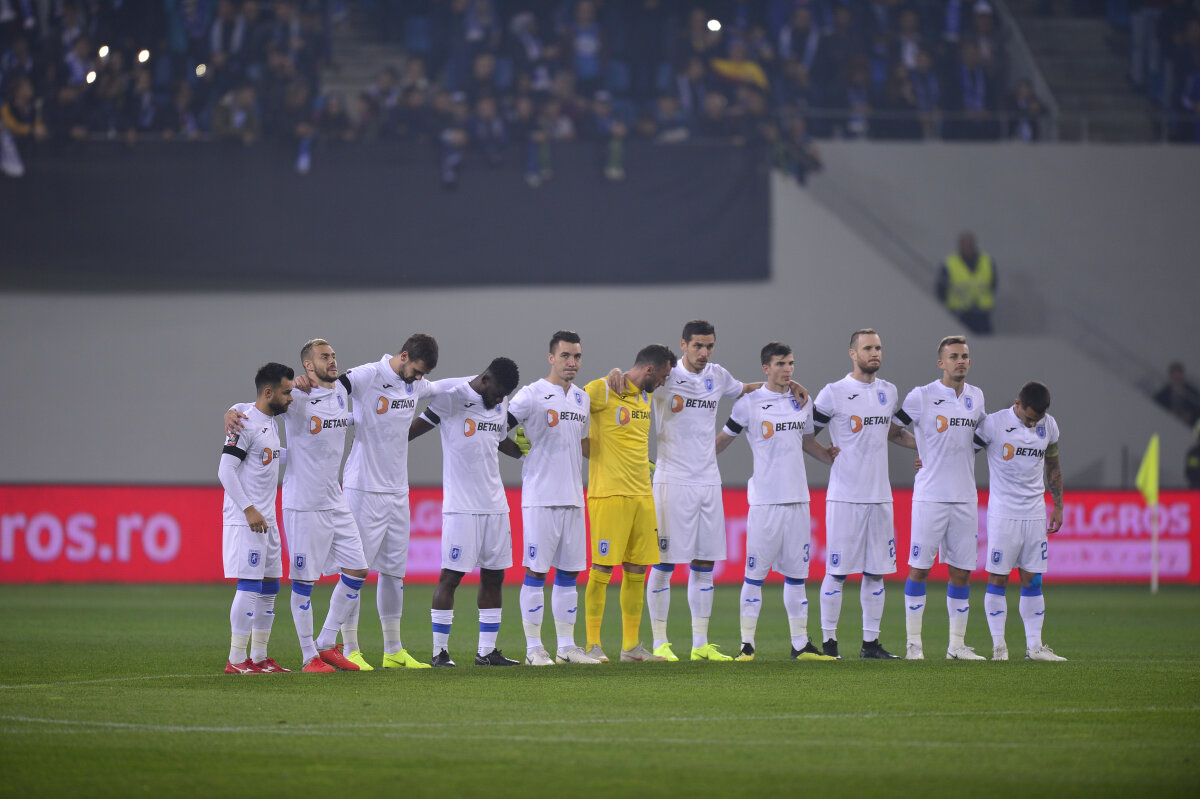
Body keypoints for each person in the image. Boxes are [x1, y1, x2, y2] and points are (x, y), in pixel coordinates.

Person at [645, 320, 808, 663]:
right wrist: (616, 375)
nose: (704, 352)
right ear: (684, 345)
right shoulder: (666, 377)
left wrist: (788, 384)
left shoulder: (717, 376)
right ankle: (660, 642)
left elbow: (747, 389)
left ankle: (700, 644)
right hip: (672, 480)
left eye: (709, 346)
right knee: (664, 562)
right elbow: (632, 384)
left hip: (708, 481)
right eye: (697, 346)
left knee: (704, 562)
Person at [227, 338, 370, 672]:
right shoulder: (296, 397)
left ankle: (326, 642)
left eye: (333, 355)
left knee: (358, 569)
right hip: (303, 503)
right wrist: (231, 411)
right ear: (308, 364)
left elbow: (378, 372)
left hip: (334, 499)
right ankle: (309, 657)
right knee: (304, 582)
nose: (332, 361)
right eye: (324, 357)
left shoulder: (342, 390)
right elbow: (257, 405)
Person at [329, 334, 454, 670]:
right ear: (404, 356)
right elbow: (330, 387)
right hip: (363, 488)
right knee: (354, 571)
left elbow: (443, 387)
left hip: (398, 492)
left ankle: (393, 651)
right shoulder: (368, 375)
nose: (419, 378)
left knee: (394, 573)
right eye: (417, 370)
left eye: (423, 374)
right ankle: (350, 648)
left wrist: (483, 379)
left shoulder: (414, 384)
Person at [714, 342, 838, 662]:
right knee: (754, 576)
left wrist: (830, 457)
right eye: (781, 364)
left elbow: (806, 441)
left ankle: (800, 645)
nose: (788, 369)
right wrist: (692, 458)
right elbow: (724, 440)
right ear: (765, 368)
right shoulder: (749, 404)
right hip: (765, 503)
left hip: (798, 501)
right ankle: (746, 646)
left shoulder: (802, 401)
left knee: (797, 577)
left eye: (791, 363)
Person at [409, 357, 523, 667]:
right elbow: (411, 431)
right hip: (461, 508)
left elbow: (499, 439)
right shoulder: (451, 398)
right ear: (485, 380)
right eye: (497, 394)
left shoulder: (499, 400)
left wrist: (523, 451)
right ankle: (439, 653)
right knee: (451, 577)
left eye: (504, 396)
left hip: (496, 506)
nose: (499, 401)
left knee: (494, 576)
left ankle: (486, 652)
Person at [811, 329, 918, 660]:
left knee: (876, 571)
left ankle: (870, 645)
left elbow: (892, 432)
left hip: (880, 497)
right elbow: (804, 433)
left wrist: (928, 448)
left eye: (879, 348)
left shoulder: (888, 391)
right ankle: (829, 645)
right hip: (845, 497)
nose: (875, 353)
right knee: (838, 572)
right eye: (868, 348)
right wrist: (825, 456)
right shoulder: (834, 393)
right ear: (853, 354)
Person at [507, 331, 600, 666]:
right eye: (565, 356)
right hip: (540, 497)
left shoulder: (582, 399)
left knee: (569, 574)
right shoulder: (532, 394)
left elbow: (580, 444)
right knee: (536, 572)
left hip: (574, 498)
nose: (572, 362)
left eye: (577, 356)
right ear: (551, 358)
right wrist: (518, 452)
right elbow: (497, 426)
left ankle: (566, 648)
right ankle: (534, 649)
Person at [893, 336, 987, 660]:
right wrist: (920, 447)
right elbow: (892, 429)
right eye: (954, 356)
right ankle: (914, 645)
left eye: (964, 356)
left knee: (961, 572)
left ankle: (956, 647)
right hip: (930, 497)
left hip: (965, 498)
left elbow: (980, 437)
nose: (960, 361)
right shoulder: (922, 396)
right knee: (919, 569)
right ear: (941, 363)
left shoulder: (976, 397)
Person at [582, 344, 677, 663]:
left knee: (637, 568)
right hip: (609, 495)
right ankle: (593, 645)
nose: (663, 382)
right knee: (602, 568)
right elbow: (568, 411)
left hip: (642, 496)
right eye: (662, 376)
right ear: (649, 369)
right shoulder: (602, 389)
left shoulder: (645, 397)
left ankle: (631, 648)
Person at [973, 381, 1066, 661]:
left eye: (1037, 419)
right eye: (1029, 418)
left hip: (1035, 513)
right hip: (1003, 514)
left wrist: (1058, 505)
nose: (1033, 423)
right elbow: (962, 453)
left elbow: (1053, 465)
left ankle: (1034, 648)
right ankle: (999, 647)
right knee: (999, 577)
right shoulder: (993, 424)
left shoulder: (1049, 425)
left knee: (1033, 579)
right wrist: (929, 461)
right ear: (1017, 404)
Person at [218, 362, 294, 674]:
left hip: (267, 520)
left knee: (270, 586)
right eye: (286, 393)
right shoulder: (244, 423)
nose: (290, 398)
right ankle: (236, 659)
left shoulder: (269, 421)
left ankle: (260, 657)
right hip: (247, 519)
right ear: (269, 392)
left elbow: (268, 458)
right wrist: (248, 509)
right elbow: (226, 470)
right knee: (249, 585)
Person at [937, 231, 996, 335]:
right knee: (959, 343)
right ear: (959, 246)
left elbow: (993, 284)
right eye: (964, 244)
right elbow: (941, 289)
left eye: (969, 244)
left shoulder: (987, 261)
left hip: (982, 314)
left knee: (984, 342)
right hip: (959, 315)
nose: (967, 247)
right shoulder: (950, 264)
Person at [1153, 362, 1200, 426]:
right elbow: (1156, 406)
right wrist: (1168, 413)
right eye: (1175, 377)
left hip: (1189, 425)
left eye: (1178, 376)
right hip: (1167, 423)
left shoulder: (1192, 392)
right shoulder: (1163, 393)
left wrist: (1191, 415)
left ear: (1182, 375)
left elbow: (1197, 408)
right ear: (1170, 376)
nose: (1177, 378)